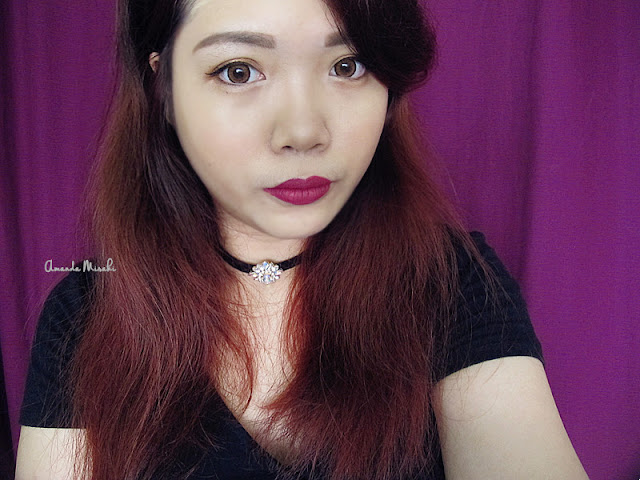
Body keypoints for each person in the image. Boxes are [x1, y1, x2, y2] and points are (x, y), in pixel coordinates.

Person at [15, 0, 590, 478]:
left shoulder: (451, 282)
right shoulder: (86, 316)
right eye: (238, 71)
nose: (303, 132)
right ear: (162, 87)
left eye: (348, 65)